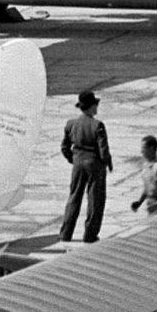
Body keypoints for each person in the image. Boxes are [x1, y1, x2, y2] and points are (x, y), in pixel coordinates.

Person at [59, 90, 113, 243]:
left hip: (78, 164)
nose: (97, 107)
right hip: (94, 166)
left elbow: (64, 147)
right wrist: (106, 164)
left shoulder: (71, 124)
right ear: (90, 107)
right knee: (95, 200)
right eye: (95, 105)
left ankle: (66, 233)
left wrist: (74, 159)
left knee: (74, 198)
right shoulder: (97, 126)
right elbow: (103, 150)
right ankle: (90, 234)